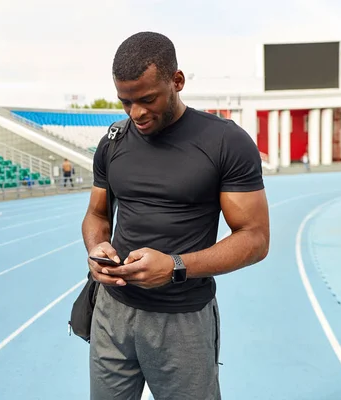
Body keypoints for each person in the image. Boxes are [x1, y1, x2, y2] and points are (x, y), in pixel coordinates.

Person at [81, 32, 270, 400]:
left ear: (177, 81)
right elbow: (96, 214)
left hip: (181, 320)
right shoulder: (113, 141)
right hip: (112, 313)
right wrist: (96, 248)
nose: (136, 113)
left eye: (147, 99)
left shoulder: (225, 142)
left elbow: (255, 238)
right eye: (126, 102)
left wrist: (175, 266)